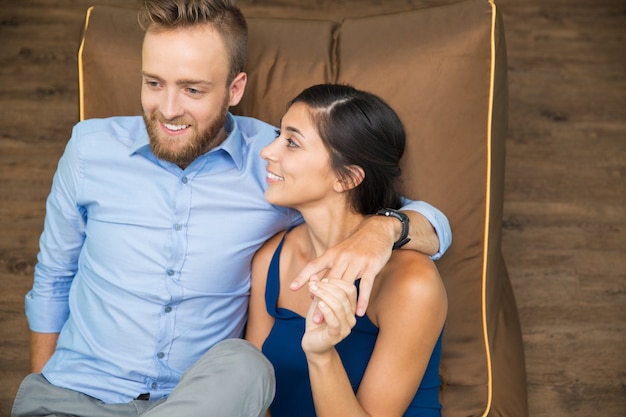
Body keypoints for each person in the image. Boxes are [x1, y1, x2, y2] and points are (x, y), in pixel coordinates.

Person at [12, 1, 450, 416]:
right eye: (153, 83)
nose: (167, 109)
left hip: (200, 399)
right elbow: (53, 277)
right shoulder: (89, 149)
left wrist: (383, 231)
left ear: (235, 88)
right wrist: (48, 383)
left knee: (244, 362)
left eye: (192, 89)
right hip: (77, 394)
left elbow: (403, 213)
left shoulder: (277, 164)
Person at [245, 84, 448, 417]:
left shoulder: (412, 284)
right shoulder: (272, 258)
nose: (268, 152)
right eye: (278, 135)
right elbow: (254, 393)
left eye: (292, 143)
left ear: (347, 177)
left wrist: (322, 355)